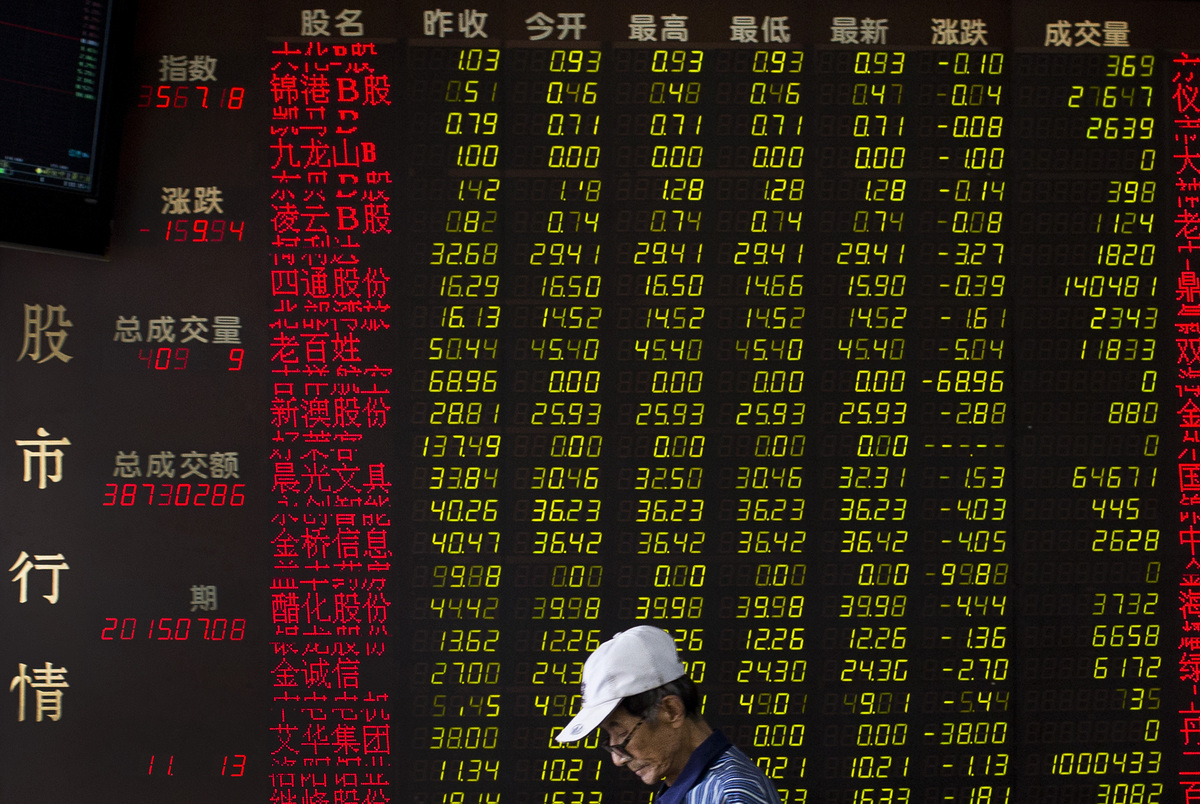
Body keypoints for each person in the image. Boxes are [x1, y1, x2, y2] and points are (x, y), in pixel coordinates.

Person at [555, 625, 783, 804]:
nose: (617, 759)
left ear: (671, 710)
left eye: (622, 733)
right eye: (610, 739)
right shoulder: (692, 789)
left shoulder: (733, 796)